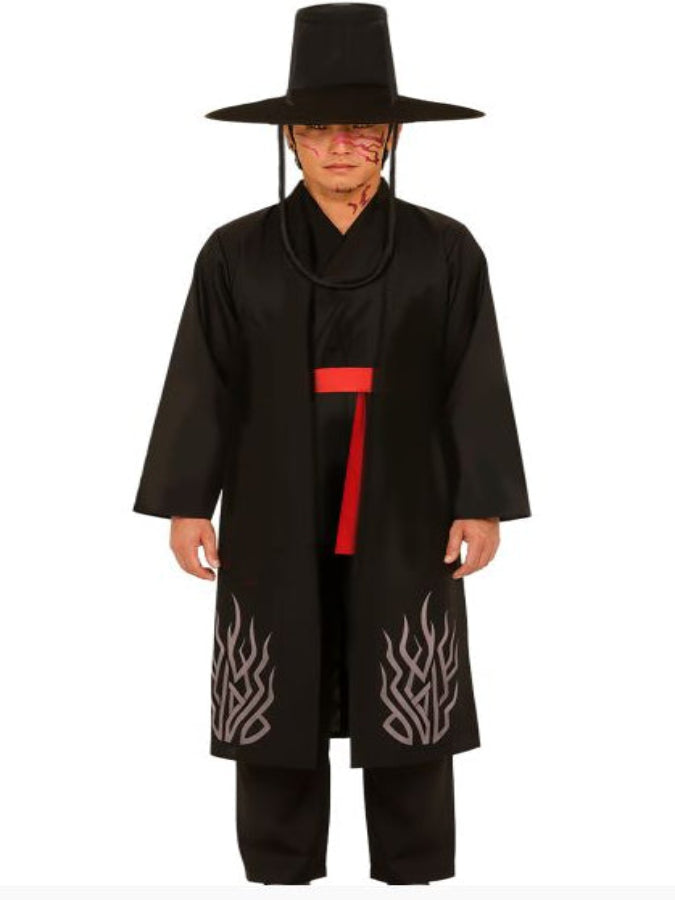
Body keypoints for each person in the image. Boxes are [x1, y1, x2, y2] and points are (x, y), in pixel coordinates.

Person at [132, 3, 531, 885]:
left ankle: (413, 863)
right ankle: (279, 864)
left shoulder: (444, 249)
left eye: (360, 129)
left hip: (405, 488)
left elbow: (474, 376)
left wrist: (481, 501)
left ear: (390, 138)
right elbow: (203, 377)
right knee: (272, 663)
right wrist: (187, 502)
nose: (339, 146)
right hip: (273, 479)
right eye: (317, 128)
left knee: (409, 664)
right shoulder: (235, 252)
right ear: (290, 139)